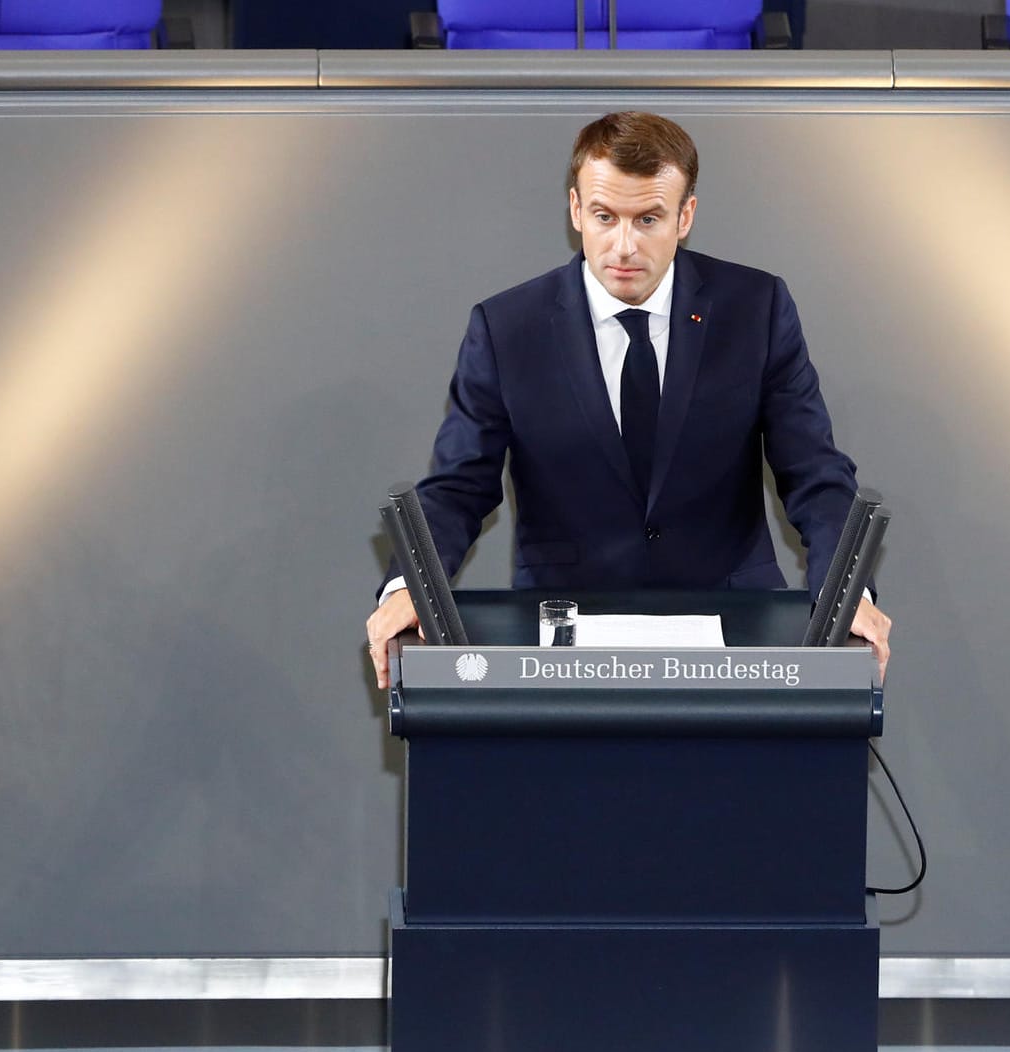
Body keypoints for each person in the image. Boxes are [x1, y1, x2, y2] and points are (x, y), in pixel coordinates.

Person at [365, 111, 890, 688]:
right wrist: (407, 588)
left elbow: (814, 471)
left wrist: (847, 594)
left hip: (734, 629)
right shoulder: (508, 328)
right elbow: (459, 486)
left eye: (648, 219)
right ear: (575, 210)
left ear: (685, 215)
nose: (624, 245)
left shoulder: (755, 309)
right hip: (565, 636)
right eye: (604, 217)